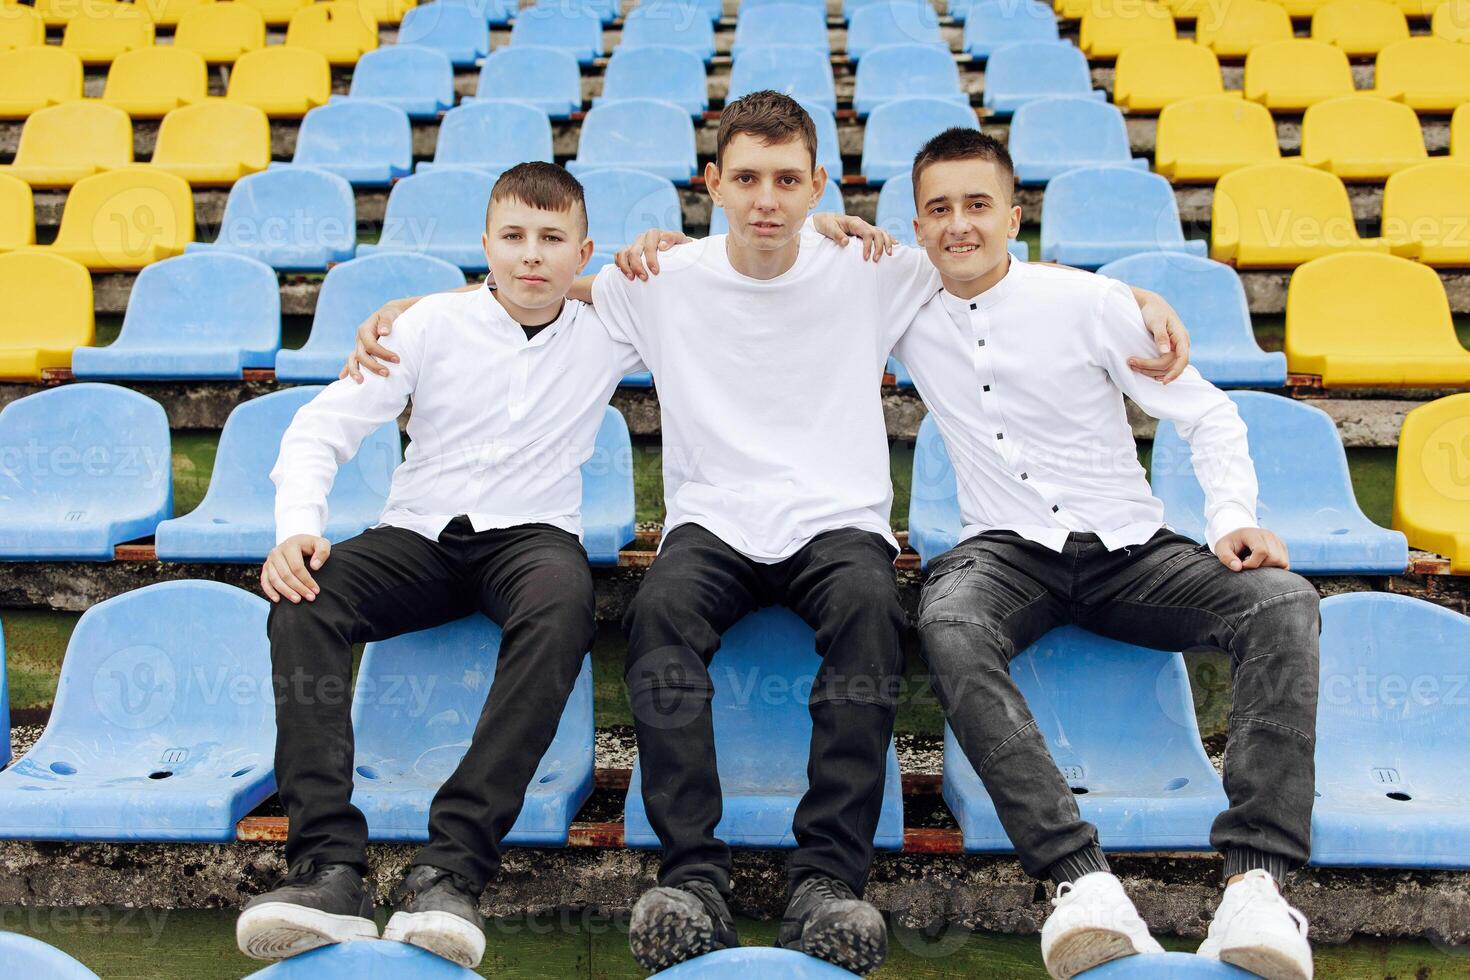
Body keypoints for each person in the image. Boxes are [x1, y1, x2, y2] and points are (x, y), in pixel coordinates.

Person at [342, 91, 1192, 976]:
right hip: (713, 522)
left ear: (819, 184)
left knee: (869, 615)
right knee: (658, 617)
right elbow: (536, 287)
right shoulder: (664, 280)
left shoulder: (874, 266)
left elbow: (993, 268)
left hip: (838, 522)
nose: (767, 200)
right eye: (746, 178)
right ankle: (692, 878)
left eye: (788, 179)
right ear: (713, 183)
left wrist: (1135, 295)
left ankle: (829, 878)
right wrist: (417, 304)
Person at [892, 129, 1319, 980]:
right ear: (917, 223)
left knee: (1283, 601)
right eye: (939, 209)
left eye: (979, 205)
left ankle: (1257, 887)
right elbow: (800, 256)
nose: (959, 225)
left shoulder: (1084, 301)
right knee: (945, 616)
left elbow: (1208, 415)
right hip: (1007, 553)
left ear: (1015, 215)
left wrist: (1233, 515)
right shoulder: (896, 301)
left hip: (1130, 550)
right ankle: (1081, 885)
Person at [235, 162, 647, 970]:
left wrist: (829, 229)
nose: (532, 256)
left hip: (531, 536)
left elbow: (729, 279)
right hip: (419, 534)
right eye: (514, 237)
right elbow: (324, 428)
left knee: (565, 605)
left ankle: (450, 870)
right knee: (303, 600)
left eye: (553, 240)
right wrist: (297, 529)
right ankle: (327, 869)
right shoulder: (427, 326)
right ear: (485, 244)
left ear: (584, 251)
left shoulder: (614, 327)